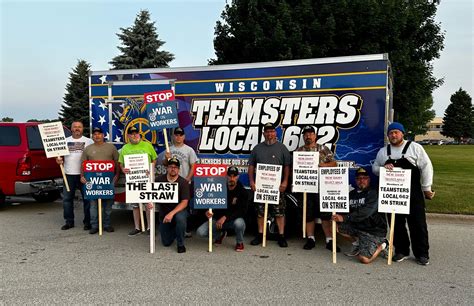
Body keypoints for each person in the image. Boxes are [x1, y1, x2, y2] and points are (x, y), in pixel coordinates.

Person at [372, 122, 434, 265]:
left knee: (418, 224)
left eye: (396, 132)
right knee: (396, 224)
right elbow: (374, 168)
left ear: (402, 133)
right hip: (392, 193)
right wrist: (383, 167)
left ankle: (422, 254)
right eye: (391, 133)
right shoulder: (383, 152)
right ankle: (401, 251)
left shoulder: (415, 148)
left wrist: (426, 187)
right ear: (387, 135)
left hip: (413, 193)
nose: (393, 135)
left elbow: (426, 167)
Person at [297, 125, 340, 252]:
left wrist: (322, 165)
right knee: (308, 214)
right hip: (306, 187)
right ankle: (310, 238)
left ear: (315, 136)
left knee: (326, 214)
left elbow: (334, 164)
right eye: (306, 134)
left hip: (323, 187)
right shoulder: (299, 151)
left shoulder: (323, 149)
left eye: (310, 134)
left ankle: (329, 240)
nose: (308, 136)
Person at [248, 122, 291, 247]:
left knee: (279, 212)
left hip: (277, 187)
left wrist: (285, 181)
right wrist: (251, 181)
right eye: (267, 131)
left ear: (275, 133)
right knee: (260, 212)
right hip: (261, 187)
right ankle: (260, 235)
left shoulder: (282, 148)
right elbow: (251, 166)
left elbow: (287, 167)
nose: (269, 134)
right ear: (263, 133)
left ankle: (281, 236)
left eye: (272, 131)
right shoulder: (257, 148)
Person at [332, 168, 388, 264]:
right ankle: (358, 244)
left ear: (369, 179)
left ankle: (383, 245)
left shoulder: (374, 193)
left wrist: (345, 218)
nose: (361, 180)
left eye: (364, 178)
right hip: (358, 227)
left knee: (364, 259)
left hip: (373, 230)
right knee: (336, 226)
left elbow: (365, 212)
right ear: (355, 180)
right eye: (358, 178)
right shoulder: (351, 194)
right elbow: (345, 209)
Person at [196, 166, 248, 252]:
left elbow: (242, 211)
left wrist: (225, 217)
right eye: (229, 176)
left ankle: (239, 242)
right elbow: (208, 201)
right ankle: (219, 235)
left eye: (234, 176)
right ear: (226, 176)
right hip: (217, 220)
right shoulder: (218, 187)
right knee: (200, 232)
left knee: (240, 223)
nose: (232, 178)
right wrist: (207, 211)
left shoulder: (242, 191)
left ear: (238, 177)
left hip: (232, 220)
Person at [159, 127, 198, 237]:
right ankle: (171, 227)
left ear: (184, 137)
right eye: (176, 134)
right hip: (171, 183)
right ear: (173, 136)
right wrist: (166, 158)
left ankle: (183, 229)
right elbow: (165, 165)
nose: (178, 137)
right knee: (170, 206)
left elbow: (193, 166)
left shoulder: (189, 150)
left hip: (183, 184)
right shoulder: (169, 149)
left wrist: (188, 179)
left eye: (181, 135)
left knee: (184, 208)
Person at [118, 126, 157, 236]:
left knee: (148, 204)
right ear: (128, 135)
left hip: (146, 179)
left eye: (136, 133)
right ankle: (137, 227)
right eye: (132, 133)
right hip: (132, 180)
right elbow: (121, 164)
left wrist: (150, 168)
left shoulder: (147, 145)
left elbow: (154, 159)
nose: (134, 135)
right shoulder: (125, 148)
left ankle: (150, 228)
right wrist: (123, 169)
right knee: (135, 205)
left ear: (139, 135)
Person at [80, 127, 120, 235]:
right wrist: (82, 176)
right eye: (95, 134)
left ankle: (107, 225)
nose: (97, 136)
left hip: (107, 181)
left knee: (108, 205)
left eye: (99, 134)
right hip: (92, 182)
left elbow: (117, 163)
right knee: (93, 206)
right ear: (92, 136)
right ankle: (94, 226)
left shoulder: (111, 147)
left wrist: (117, 175)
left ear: (103, 135)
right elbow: (83, 164)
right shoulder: (88, 149)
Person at [56, 121, 93, 230]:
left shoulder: (89, 141)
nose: (77, 128)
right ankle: (69, 221)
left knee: (87, 199)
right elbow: (59, 157)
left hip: (84, 175)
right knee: (67, 199)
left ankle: (88, 222)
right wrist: (58, 160)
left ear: (82, 129)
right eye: (75, 127)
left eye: (79, 127)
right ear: (71, 129)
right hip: (68, 174)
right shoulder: (65, 141)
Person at [153, 157, 190, 253]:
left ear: (178, 169)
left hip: (179, 211)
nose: (173, 169)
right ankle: (177, 230)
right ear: (167, 168)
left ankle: (180, 244)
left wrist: (171, 213)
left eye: (175, 167)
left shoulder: (183, 182)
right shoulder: (158, 180)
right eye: (171, 166)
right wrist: (149, 204)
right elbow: (151, 196)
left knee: (180, 219)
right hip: (164, 213)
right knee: (166, 242)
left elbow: (185, 202)